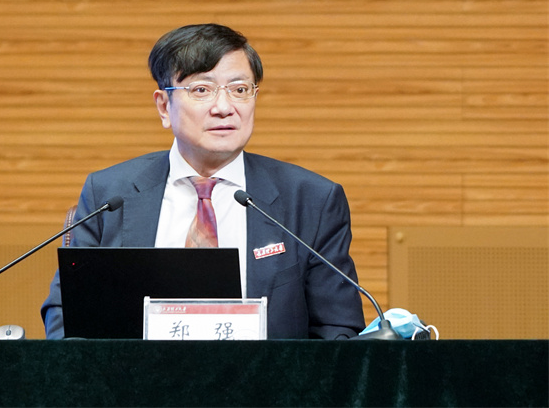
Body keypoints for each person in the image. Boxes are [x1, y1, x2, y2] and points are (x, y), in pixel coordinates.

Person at [41, 23, 365, 339]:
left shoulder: (312, 200)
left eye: (240, 90)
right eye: (201, 90)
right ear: (164, 106)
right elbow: (67, 315)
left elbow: (337, 330)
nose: (224, 108)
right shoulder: (110, 194)